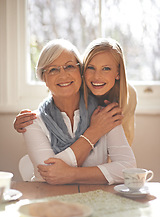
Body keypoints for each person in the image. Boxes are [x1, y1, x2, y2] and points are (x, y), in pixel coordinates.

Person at [14, 38, 136, 184]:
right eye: (53, 69)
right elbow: (45, 174)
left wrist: (72, 174)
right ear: (44, 78)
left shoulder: (105, 114)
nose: (63, 75)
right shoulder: (32, 121)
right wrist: (94, 132)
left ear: (80, 71)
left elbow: (127, 168)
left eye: (69, 66)